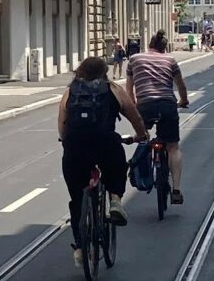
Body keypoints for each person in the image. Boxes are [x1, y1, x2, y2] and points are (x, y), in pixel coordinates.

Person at [58, 54, 147, 254]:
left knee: (77, 198)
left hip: (75, 147)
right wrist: (141, 135)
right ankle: (115, 200)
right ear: (104, 72)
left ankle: (80, 248)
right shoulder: (112, 89)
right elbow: (133, 114)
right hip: (105, 142)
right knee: (116, 165)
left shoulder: (71, 91)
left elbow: (62, 123)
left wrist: (66, 142)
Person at [126, 28, 189, 207]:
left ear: (149, 45)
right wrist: (183, 101)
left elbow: (129, 89)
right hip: (167, 105)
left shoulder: (135, 59)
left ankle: (142, 171)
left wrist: (133, 108)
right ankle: (176, 190)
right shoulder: (171, 60)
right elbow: (181, 85)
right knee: (173, 147)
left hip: (144, 106)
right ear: (164, 47)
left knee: (142, 138)